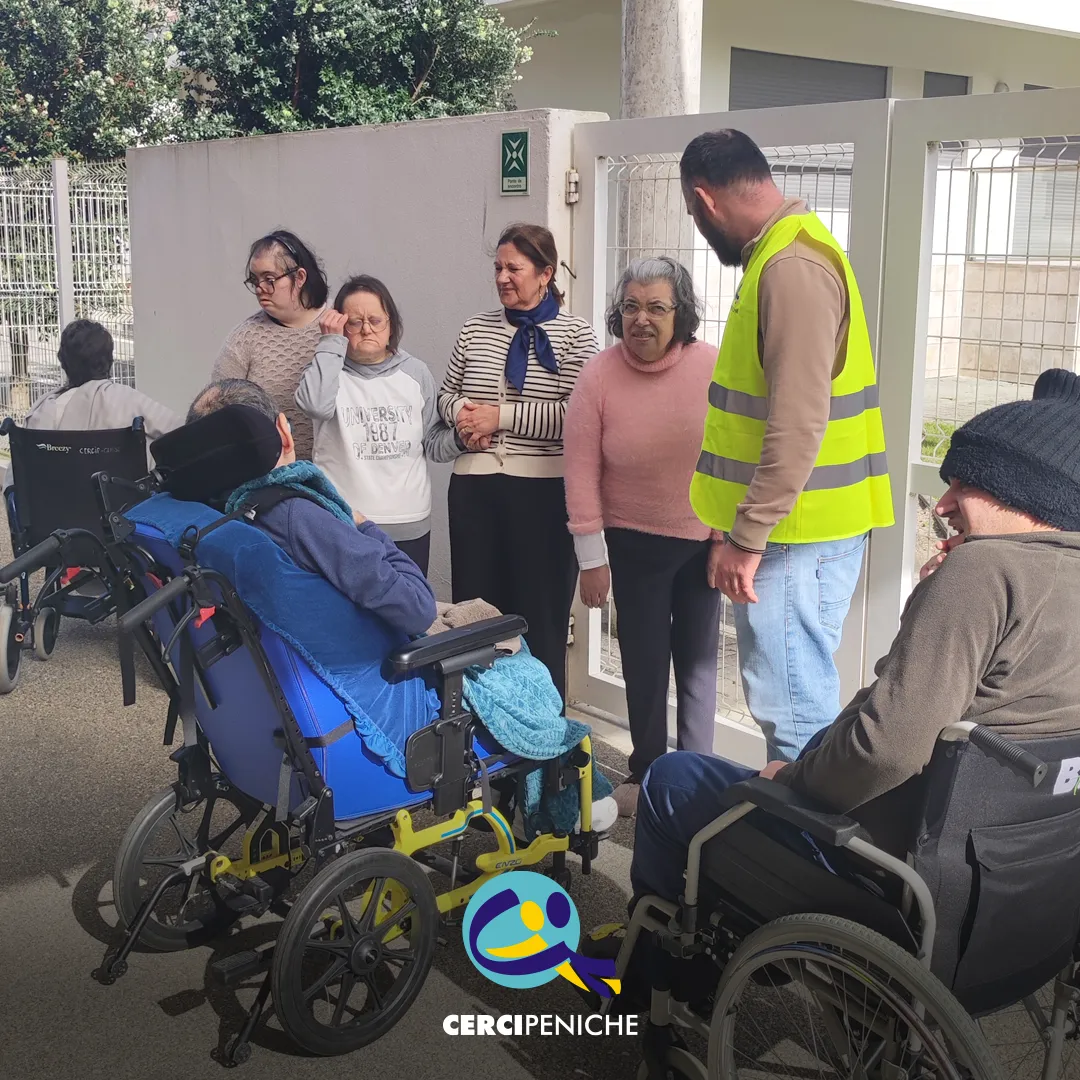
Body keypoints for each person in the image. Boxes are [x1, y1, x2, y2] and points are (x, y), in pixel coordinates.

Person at [631, 368, 1080, 910]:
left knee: (672, 777)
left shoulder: (984, 574)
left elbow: (885, 750)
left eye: (965, 483)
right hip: (1014, 886)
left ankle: (655, 975)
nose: (941, 505)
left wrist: (790, 781)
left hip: (884, 866)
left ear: (1023, 492)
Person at [680, 129, 894, 763]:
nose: (698, 226)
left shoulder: (791, 267)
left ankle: (804, 852)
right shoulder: (788, 251)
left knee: (793, 711)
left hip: (791, 535)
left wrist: (747, 536)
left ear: (705, 199)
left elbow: (799, 421)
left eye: (694, 215)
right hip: (804, 526)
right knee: (800, 698)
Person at [564, 257, 721, 817]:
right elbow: (580, 470)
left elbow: (732, 456)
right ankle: (650, 772)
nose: (642, 319)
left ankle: (699, 775)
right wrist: (591, 557)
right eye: (631, 306)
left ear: (681, 314)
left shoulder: (712, 366)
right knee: (646, 666)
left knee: (700, 666)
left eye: (657, 307)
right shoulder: (599, 375)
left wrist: (727, 536)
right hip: (632, 545)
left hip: (703, 542)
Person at [438, 223, 598, 705]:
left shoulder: (576, 335)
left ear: (545, 273)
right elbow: (445, 395)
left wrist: (500, 417)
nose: (503, 277)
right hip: (475, 491)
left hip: (544, 496)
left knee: (540, 621)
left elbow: (577, 415)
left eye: (514, 268)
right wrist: (466, 420)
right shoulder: (474, 327)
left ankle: (545, 740)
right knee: (476, 620)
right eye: (498, 268)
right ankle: (482, 732)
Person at [187, 379, 435, 637]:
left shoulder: (204, 514)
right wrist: (366, 527)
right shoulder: (298, 518)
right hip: (357, 668)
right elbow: (418, 609)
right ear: (283, 431)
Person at [295, 275, 461, 576]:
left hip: (408, 524)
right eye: (354, 322)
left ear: (391, 324)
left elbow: (433, 445)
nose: (366, 329)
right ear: (341, 326)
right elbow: (314, 405)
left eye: (375, 320)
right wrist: (330, 343)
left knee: (407, 615)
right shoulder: (327, 369)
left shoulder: (415, 373)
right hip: (342, 521)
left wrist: (462, 439)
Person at [3, 318, 179, 490]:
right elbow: (181, 431)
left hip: (51, 516)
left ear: (62, 362)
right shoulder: (128, 400)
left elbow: (15, 478)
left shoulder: (39, 411)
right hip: (123, 513)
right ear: (109, 360)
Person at [213, 230, 329, 461]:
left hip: (337, 478)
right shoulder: (243, 339)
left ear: (300, 277)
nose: (259, 288)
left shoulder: (337, 323)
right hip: (270, 478)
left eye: (269, 279)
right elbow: (215, 411)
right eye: (255, 280)